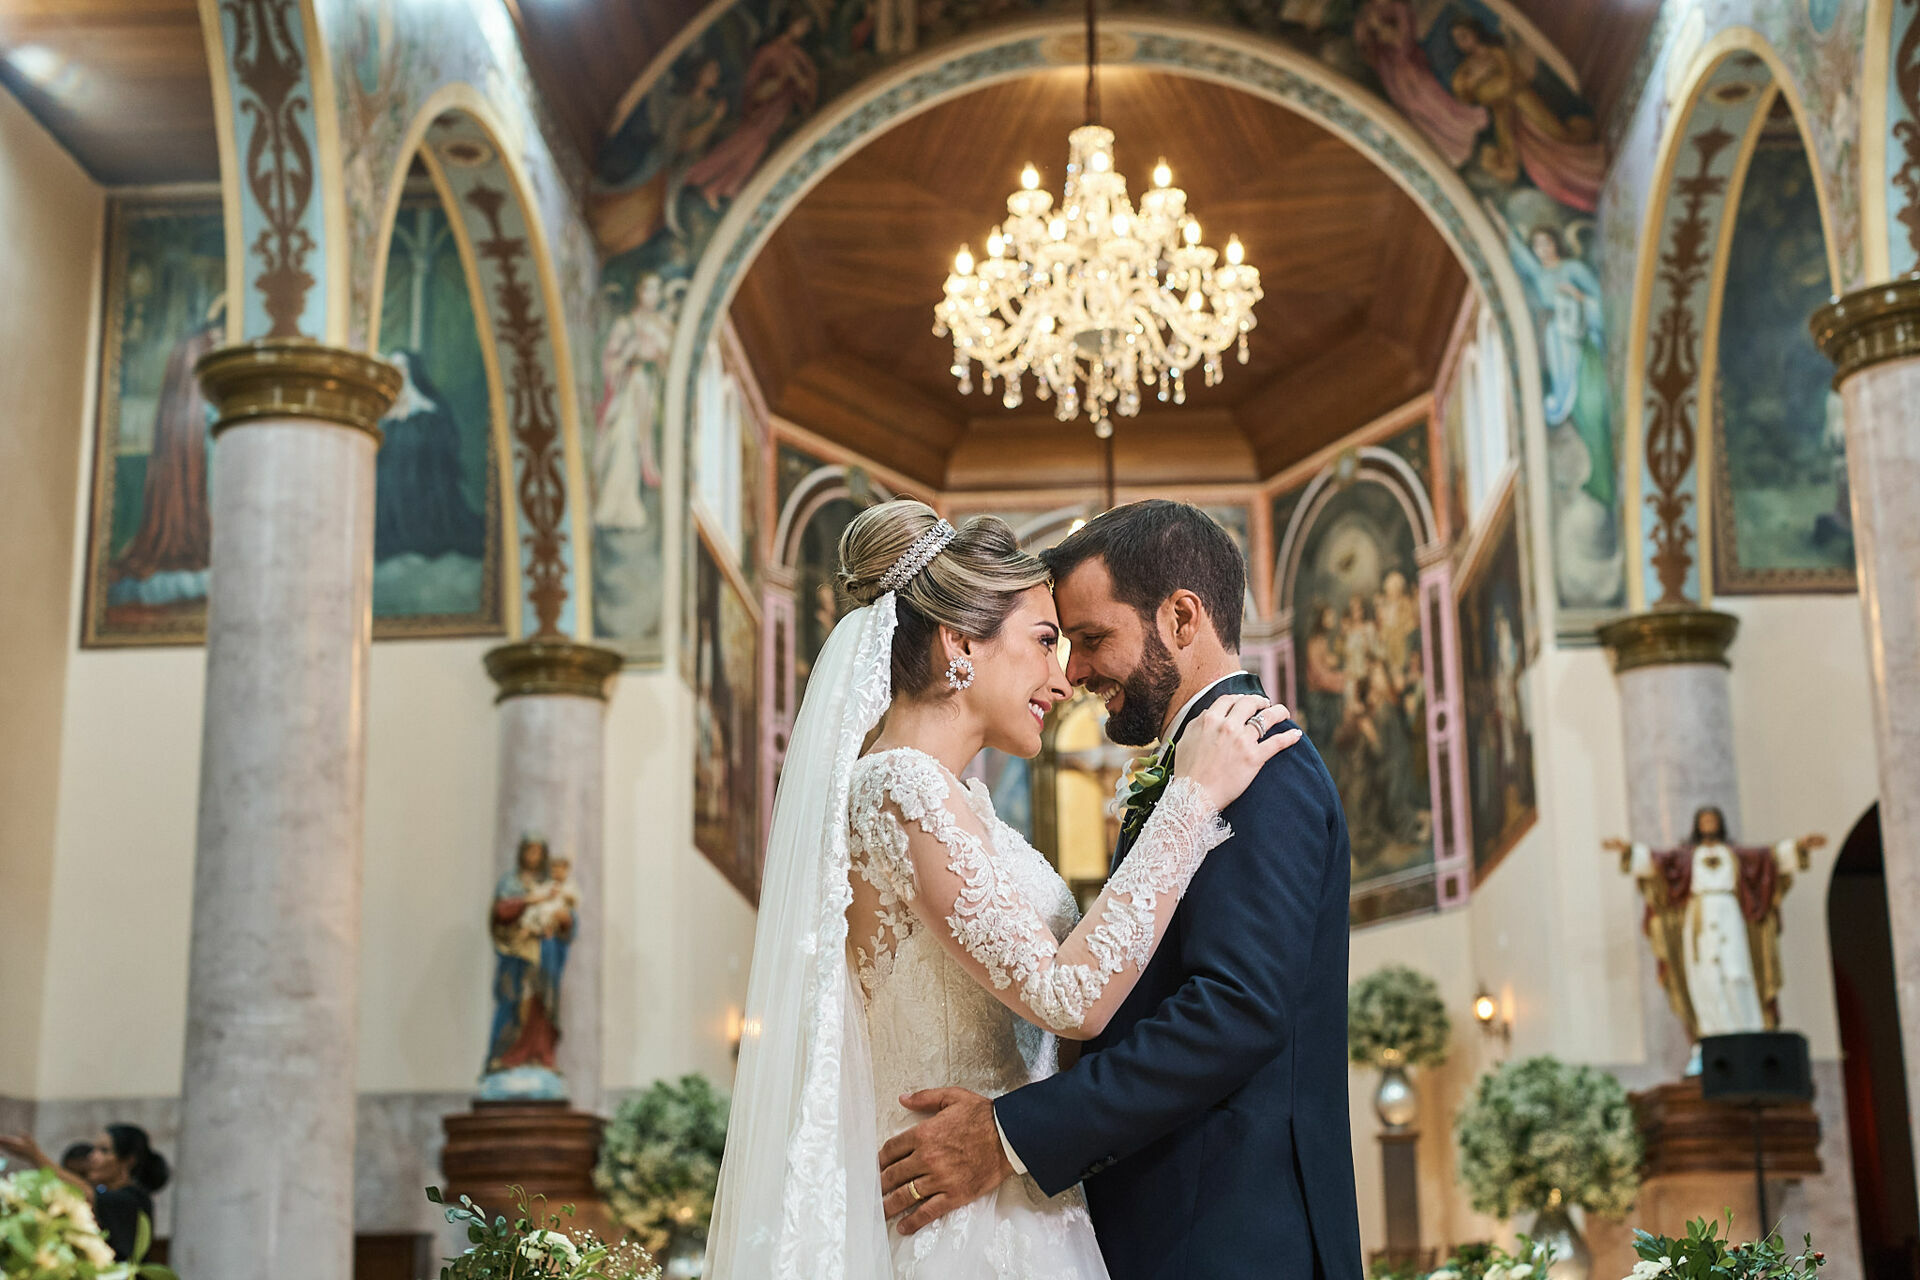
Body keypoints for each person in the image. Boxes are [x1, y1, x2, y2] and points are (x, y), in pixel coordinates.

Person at [703, 500, 1302, 1279]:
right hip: (961, 1224)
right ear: (959, 643)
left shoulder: (961, 802)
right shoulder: (899, 788)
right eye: (1047, 641)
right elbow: (1069, 994)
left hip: (1019, 1198)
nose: (1064, 680)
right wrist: (1189, 800)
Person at [873, 500, 1362, 1280]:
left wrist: (1010, 1134)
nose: (1072, 673)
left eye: (1091, 639)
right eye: (1056, 642)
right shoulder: (1198, 770)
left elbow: (1233, 1011)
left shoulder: (1259, 761)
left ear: (1180, 617)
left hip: (1232, 1239)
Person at [0, 1124, 171, 1261]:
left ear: (127, 1161)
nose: (92, 1156)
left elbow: (87, 1194)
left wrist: (35, 1156)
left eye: (104, 1151)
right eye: (94, 1149)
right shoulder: (105, 1192)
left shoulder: (133, 1198)